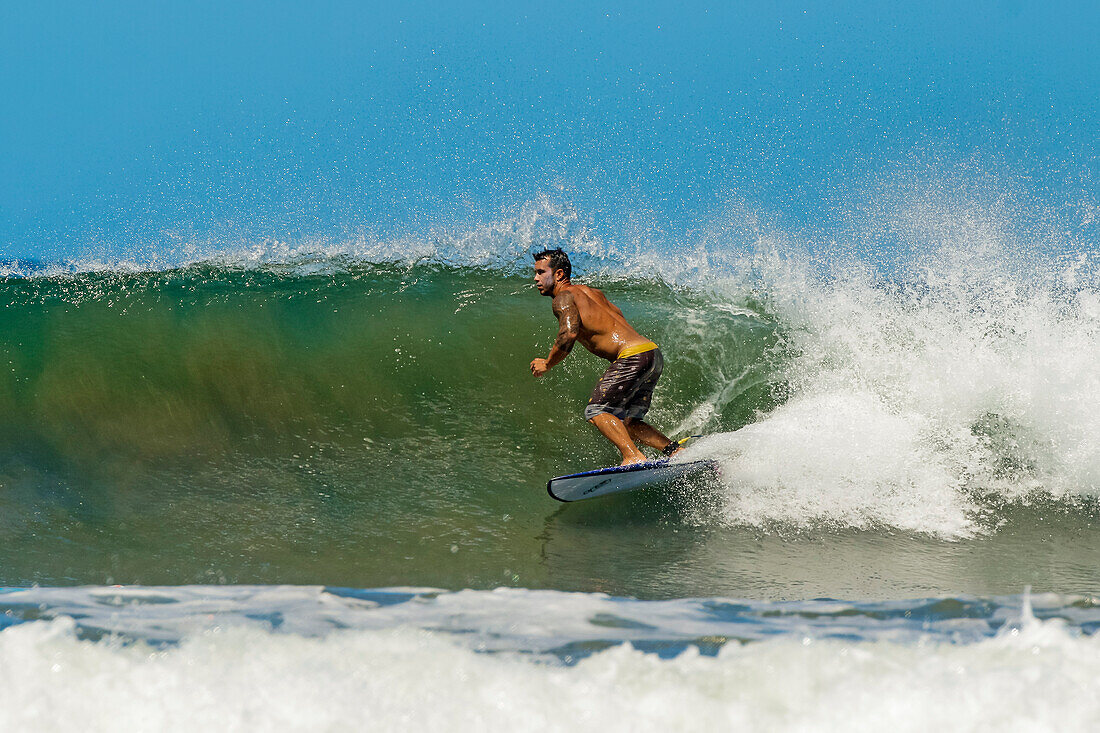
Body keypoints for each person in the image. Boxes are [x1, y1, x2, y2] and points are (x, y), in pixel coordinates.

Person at [530, 249, 681, 465]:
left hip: (631, 356)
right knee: (629, 422)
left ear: (560, 274)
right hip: (651, 353)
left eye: (540, 272)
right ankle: (675, 451)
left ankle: (633, 456)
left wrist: (548, 363)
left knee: (598, 410)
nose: (536, 278)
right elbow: (617, 317)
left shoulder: (563, 298)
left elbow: (568, 334)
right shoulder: (593, 293)